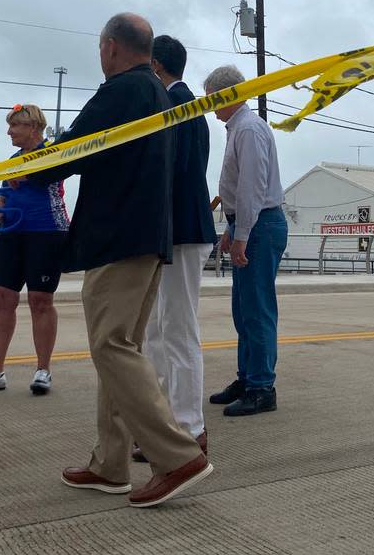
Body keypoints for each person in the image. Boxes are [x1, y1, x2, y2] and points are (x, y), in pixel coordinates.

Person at [29, 13, 211, 509]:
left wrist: (25, 166)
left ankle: (176, 456)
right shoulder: (157, 94)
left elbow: (68, 153)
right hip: (148, 237)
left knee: (112, 346)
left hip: (119, 239)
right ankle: (110, 465)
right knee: (120, 345)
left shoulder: (123, 91)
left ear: (109, 46)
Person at [132, 35, 217, 461]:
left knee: (178, 330)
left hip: (182, 231)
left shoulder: (177, 108)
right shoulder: (183, 105)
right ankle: (168, 422)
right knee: (161, 330)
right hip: (176, 232)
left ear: (156, 68)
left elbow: (169, 175)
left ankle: (188, 428)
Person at [0, 104, 67, 396]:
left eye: (14, 126)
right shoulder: (12, 160)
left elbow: (52, 176)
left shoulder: (53, 153)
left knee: (40, 299)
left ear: (32, 127)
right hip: (12, 232)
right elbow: (2, 198)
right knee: (3, 297)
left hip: (47, 231)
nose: (9, 132)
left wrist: (29, 175)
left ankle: (43, 370)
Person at [204, 64, 287, 417]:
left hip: (260, 225)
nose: (209, 104)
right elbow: (240, 191)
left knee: (257, 310)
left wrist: (241, 235)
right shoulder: (237, 128)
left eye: (211, 97)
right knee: (244, 310)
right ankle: (248, 377)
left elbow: (253, 187)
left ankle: (261, 386)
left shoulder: (249, 130)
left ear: (228, 94)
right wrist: (231, 229)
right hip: (251, 223)